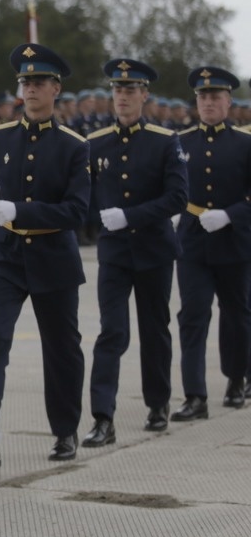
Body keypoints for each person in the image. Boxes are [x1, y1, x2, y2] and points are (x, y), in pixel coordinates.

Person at [0, 43, 91, 467]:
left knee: (62, 348)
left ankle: (65, 432)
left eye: (39, 82)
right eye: (25, 82)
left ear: (56, 89)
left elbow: (77, 212)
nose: (31, 89)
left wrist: (22, 210)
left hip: (54, 258)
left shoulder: (74, 146)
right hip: (6, 256)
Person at [82, 59, 188, 447]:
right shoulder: (95, 143)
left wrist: (130, 216)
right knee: (112, 331)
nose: (123, 97)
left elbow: (177, 197)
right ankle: (102, 417)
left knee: (154, 330)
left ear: (144, 95)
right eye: (117, 90)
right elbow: (84, 195)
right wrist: (97, 217)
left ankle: (158, 404)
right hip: (114, 254)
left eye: (130, 91)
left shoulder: (165, 141)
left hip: (154, 251)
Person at [171, 67, 251, 422]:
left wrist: (231, 214)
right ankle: (195, 395)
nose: (208, 103)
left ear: (228, 102)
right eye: (203, 97)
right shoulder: (180, 142)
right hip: (192, 241)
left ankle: (236, 379)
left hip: (234, 241)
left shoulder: (245, 143)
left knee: (236, 316)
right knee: (192, 315)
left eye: (215, 97)